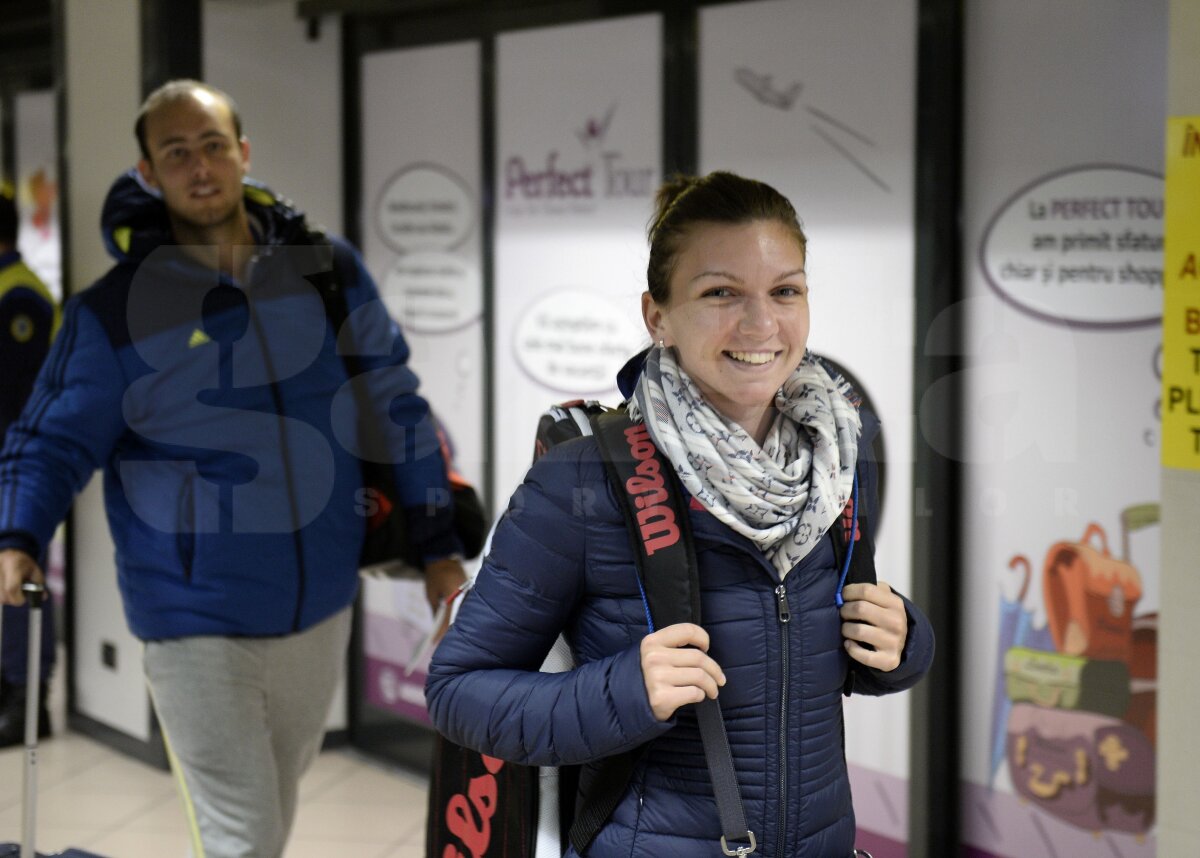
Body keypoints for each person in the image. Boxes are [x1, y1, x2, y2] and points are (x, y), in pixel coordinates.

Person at [0, 79, 466, 858]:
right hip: (193, 618)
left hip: (319, 604)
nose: (200, 165)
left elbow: (393, 402)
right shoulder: (112, 314)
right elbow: (50, 440)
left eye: (213, 145)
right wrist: (17, 534)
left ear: (243, 153)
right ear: (149, 173)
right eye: (176, 152)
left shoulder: (326, 271)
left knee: (265, 824)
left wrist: (437, 544)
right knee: (243, 838)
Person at [426, 171, 934, 857]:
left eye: (785, 291)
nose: (761, 324)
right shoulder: (585, 479)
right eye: (720, 293)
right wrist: (624, 690)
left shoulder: (838, 455)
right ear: (656, 315)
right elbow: (458, 691)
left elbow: (809, 634)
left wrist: (904, 644)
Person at [0, 186, 60, 749]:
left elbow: (19, 399)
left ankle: (29, 700)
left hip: (15, 467)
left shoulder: (22, 298)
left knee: (20, 580)